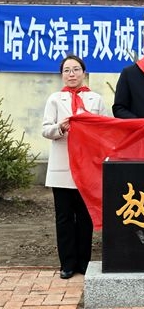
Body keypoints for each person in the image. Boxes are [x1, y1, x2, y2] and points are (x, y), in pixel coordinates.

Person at [42, 54, 107, 279]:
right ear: (62, 75)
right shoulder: (54, 99)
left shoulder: (96, 99)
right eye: (67, 70)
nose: (72, 74)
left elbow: (105, 129)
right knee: (64, 218)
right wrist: (60, 128)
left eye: (76, 69)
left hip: (87, 167)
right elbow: (45, 129)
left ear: (84, 73)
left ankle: (84, 262)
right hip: (62, 167)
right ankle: (67, 263)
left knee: (85, 217)